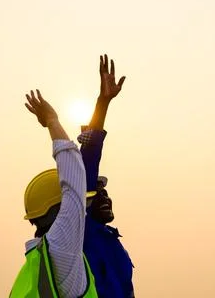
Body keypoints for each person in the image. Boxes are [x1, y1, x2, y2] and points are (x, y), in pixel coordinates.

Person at [10, 90, 98, 298]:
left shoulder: (34, 265)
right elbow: (74, 186)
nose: (83, 212)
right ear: (57, 211)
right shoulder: (62, 249)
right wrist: (53, 122)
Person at [77, 54, 135, 298]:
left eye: (106, 192)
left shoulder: (112, 241)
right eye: (97, 193)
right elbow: (89, 155)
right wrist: (103, 103)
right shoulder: (83, 234)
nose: (106, 197)